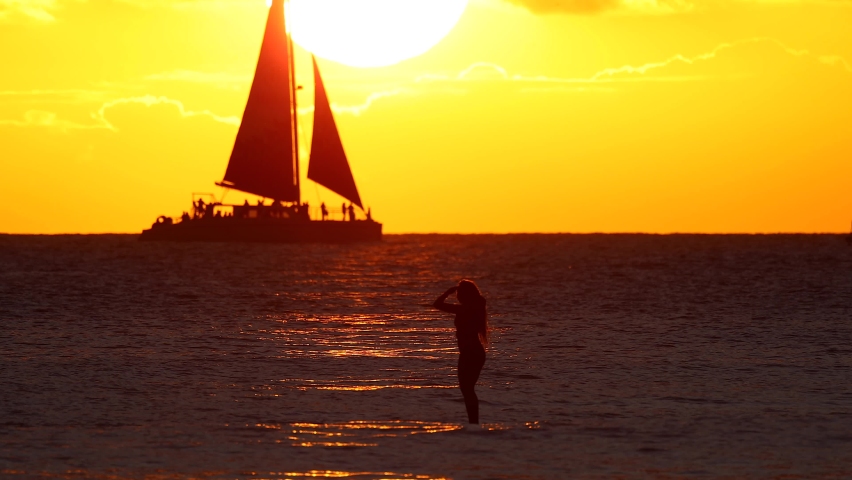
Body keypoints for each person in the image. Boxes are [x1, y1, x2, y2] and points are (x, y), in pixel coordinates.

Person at [433, 279, 489, 424]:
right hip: (473, 352)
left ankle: (474, 423)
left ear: (466, 295)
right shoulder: (474, 308)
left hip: (470, 353)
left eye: (458, 293)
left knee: (467, 390)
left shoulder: (465, 309)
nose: (457, 296)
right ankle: (474, 423)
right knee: (468, 390)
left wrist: (447, 292)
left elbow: (437, 304)